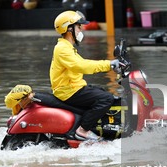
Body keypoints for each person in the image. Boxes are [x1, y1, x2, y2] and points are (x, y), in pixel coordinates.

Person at [50, 10, 120, 141]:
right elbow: (82, 66)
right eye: (78, 26)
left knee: (101, 91)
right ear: (69, 29)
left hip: (73, 87)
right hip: (69, 91)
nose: (81, 29)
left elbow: (82, 64)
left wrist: (113, 64)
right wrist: (109, 64)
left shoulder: (67, 47)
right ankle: (82, 130)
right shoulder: (63, 49)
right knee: (106, 99)